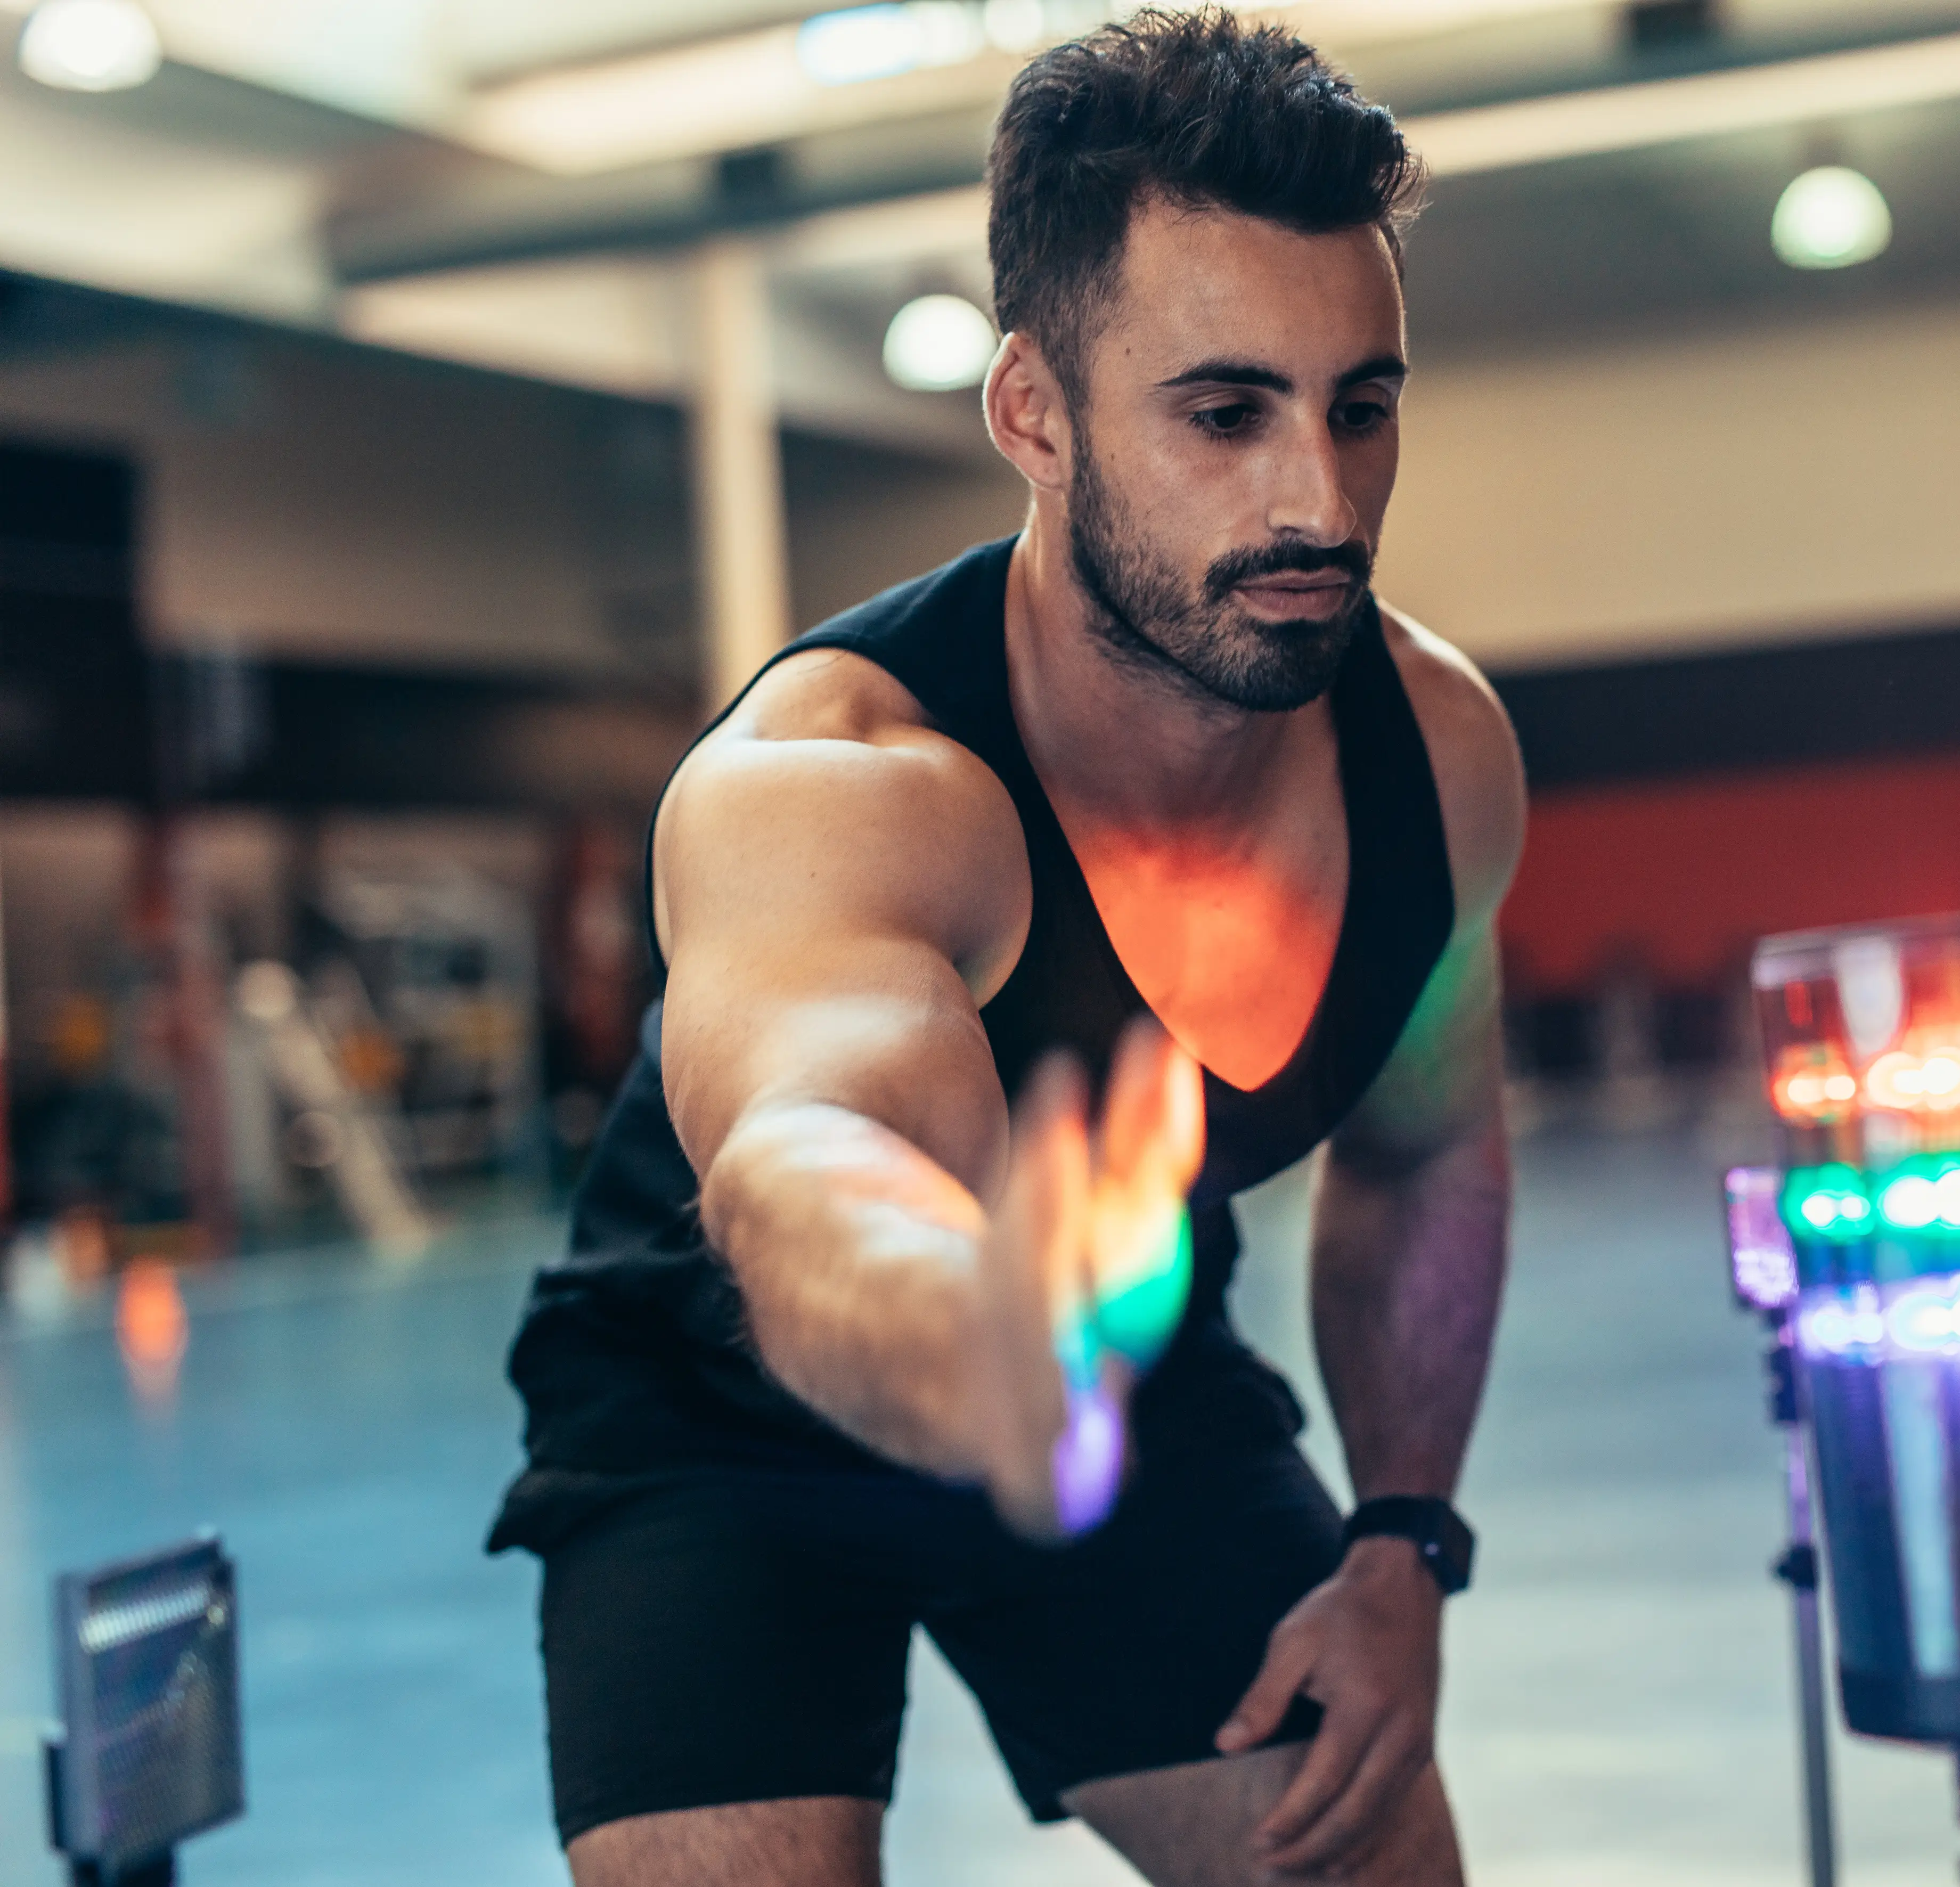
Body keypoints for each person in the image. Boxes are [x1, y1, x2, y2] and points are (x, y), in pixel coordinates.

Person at [484, 10, 1524, 1886]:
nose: (1317, 499)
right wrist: (963, 1323)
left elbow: (1429, 1145)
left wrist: (1401, 1544)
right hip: (724, 1424)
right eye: (1225, 412)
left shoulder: (1433, 758)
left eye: (1359, 405)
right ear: (1032, 412)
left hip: (1119, 1382)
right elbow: (808, 1157)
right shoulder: (843, 783)